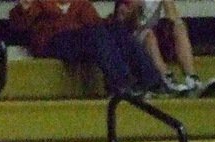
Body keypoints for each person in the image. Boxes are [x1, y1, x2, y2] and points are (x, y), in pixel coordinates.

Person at [9, 0, 166, 97]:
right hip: (52, 42)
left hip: (81, 40)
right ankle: (122, 83)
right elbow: (19, 25)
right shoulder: (38, 3)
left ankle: (151, 80)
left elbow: (98, 25)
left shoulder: (81, 3)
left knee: (116, 30)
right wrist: (24, 10)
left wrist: (118, 20)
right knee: (94, 34)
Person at [109, 0, 215, 97]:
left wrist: (173, 25)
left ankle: (192, 79)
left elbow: (173, 18)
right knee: (149, 35)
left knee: (179, 27)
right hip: (133, 41)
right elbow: (122, 28)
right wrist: (135, 10)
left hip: (152, 35)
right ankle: (167, 79)